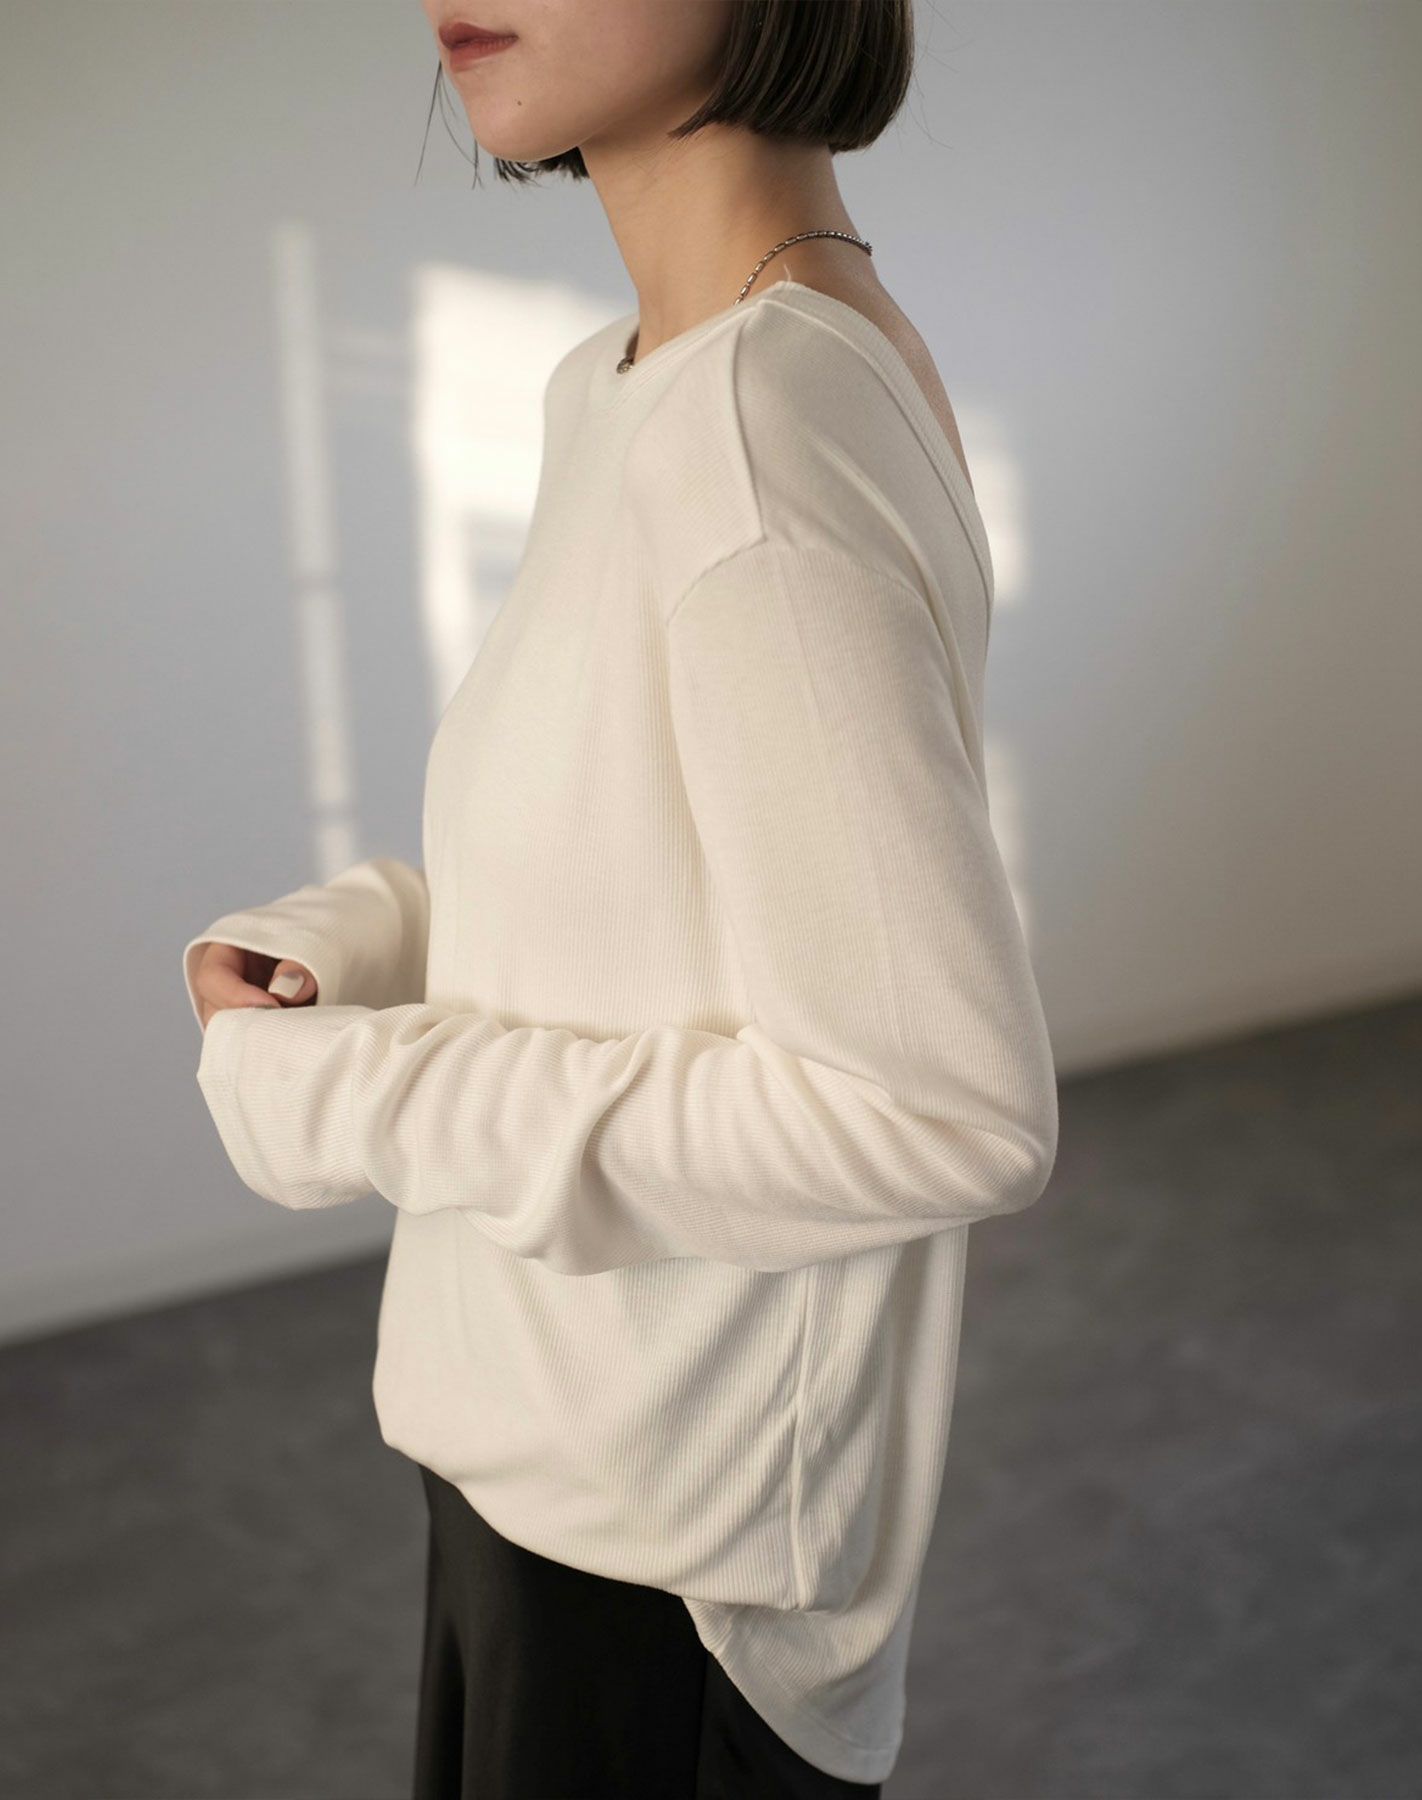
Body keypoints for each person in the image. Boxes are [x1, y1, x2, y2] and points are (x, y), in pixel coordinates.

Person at [182, 1, 1060, 1793]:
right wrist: (352, 950)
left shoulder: (759, 425)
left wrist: (347, 1091)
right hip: (552, 1450)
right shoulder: (635, 378)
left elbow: (934, 1110)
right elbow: (631, 858)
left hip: (665, 1553)